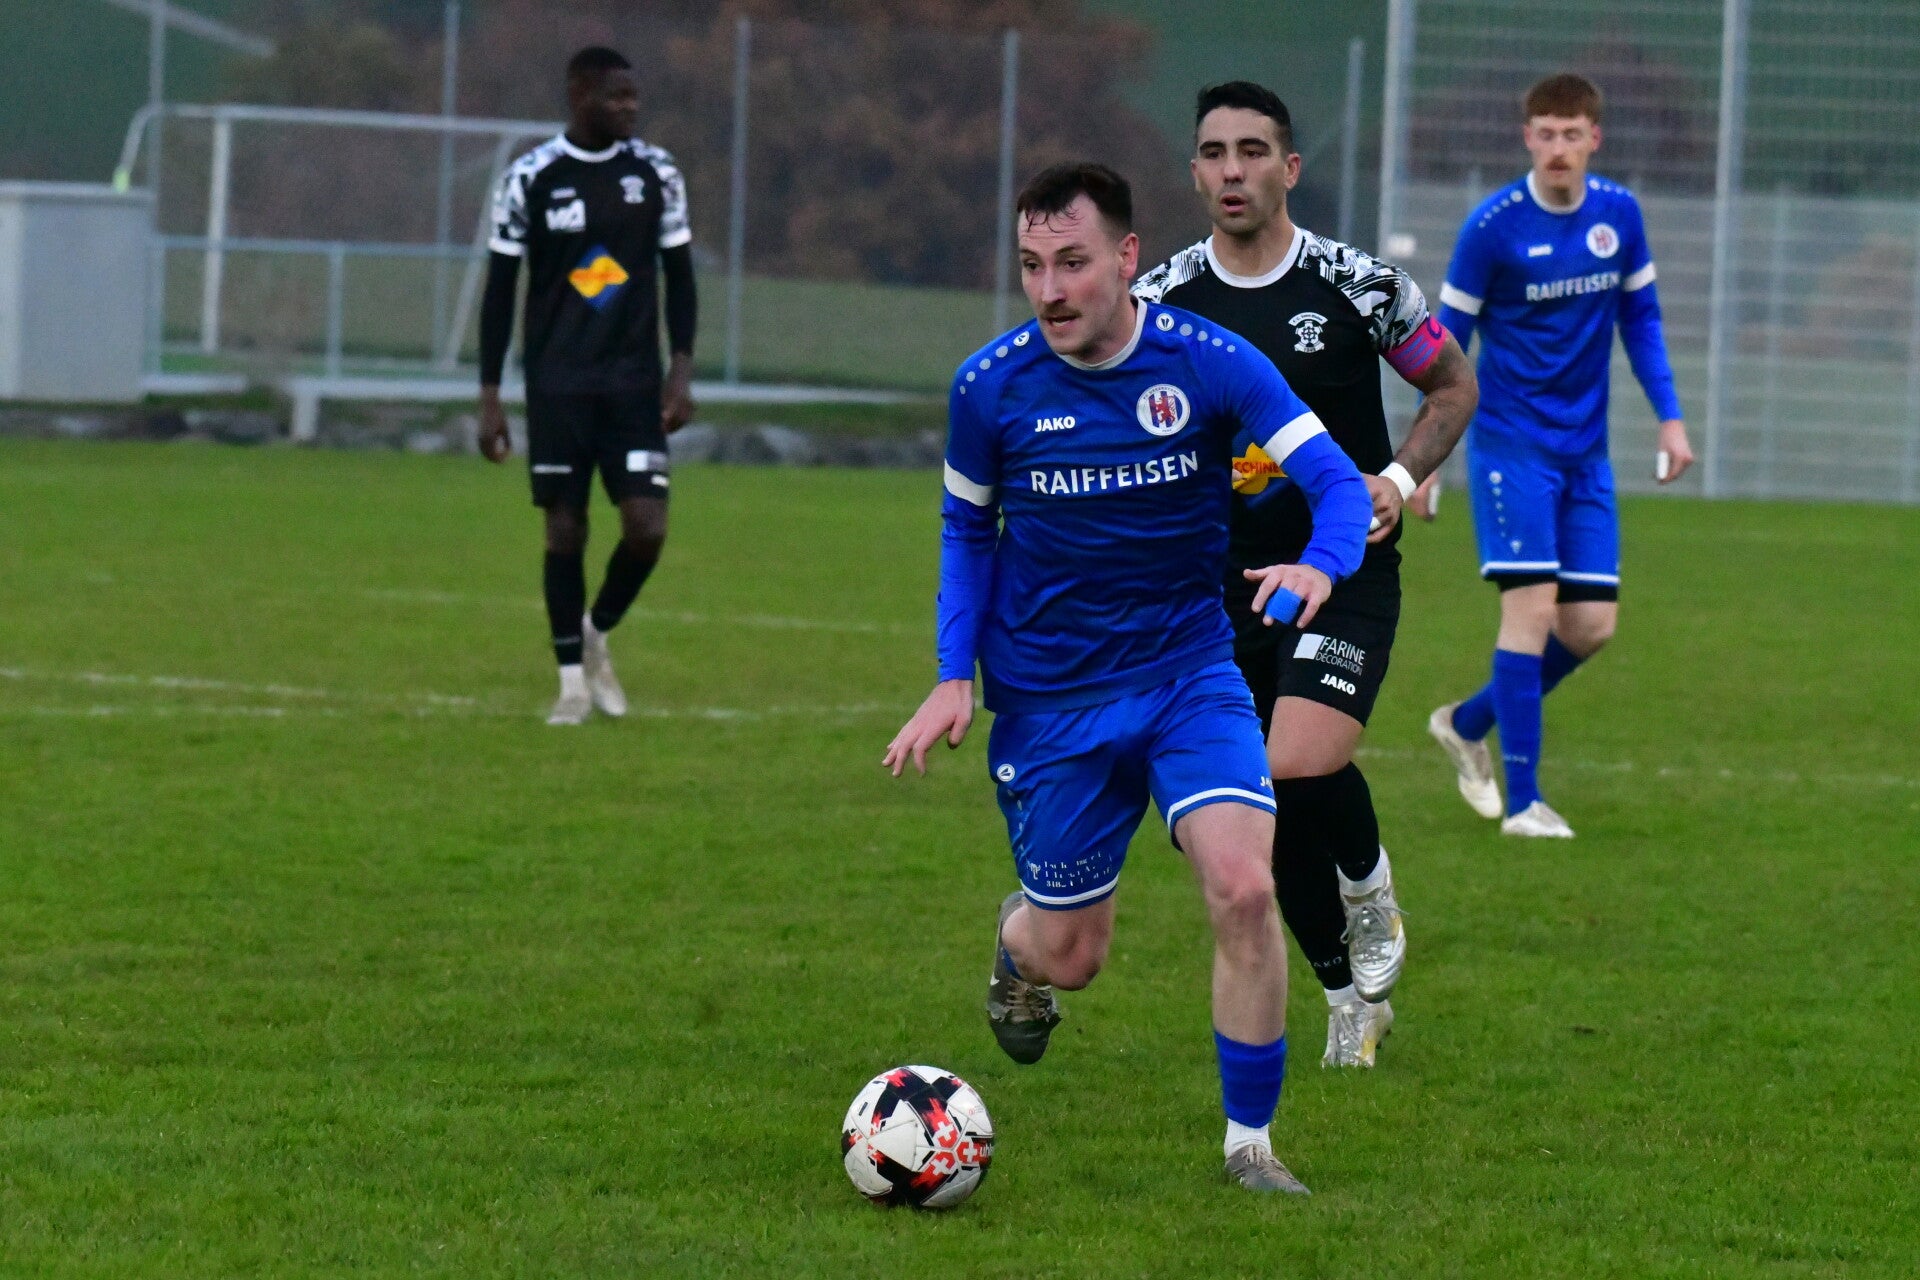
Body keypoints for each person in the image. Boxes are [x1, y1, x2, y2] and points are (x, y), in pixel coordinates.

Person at [883, 163, 1372, 1193]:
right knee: (1073, 956)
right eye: (1031, 265)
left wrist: (1320, 564)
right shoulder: (990, 386)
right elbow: (966, 532)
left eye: (1072, 262)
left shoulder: (1210, 362)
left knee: (1245, 887)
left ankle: (1250, 1145)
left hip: (1189, 674)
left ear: (1127, 258)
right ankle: (1018, 952)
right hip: (1051, 701)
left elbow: (1335, 481)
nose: (1050, 289)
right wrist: (951, 674)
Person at [1135, 82, 1478, 1068]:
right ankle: (1343, 996)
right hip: (1220, 590)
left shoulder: (1359, 285)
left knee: (1294, 760)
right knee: (1258, 808)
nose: (1232, 170)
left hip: (1342, 568)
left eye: (1252, 151)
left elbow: (1453, 386)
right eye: (1214, 153)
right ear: (1195, 171)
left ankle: (1370, 890)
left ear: (1289, 167)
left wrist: (1397, 480)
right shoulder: (1159, 303)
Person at [1427, 73, 1692, 836]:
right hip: (1511, 448)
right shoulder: (1492, 228)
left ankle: (1466, 724)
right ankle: (1526, 803)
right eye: (1545, 134)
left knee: (1590, 627)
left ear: (1594, 139)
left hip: (1586, 453)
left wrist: (1671, 420)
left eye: (1572, 135)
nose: (1558, 148)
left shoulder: (1619, 215)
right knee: (1533, 612)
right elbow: (1443, 344)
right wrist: (1427, 455)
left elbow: (1641, 319)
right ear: (1527, 137)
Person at [476, 46, 698, 725]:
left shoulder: (656, 173)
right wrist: (490, 395)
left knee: (647, 528)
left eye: (634, 96)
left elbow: (680, 275)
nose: (631, 107)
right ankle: (571, 684)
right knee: (565, 527)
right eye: (616, 97)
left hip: (632, 382)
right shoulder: (532, 178)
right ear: (579, 96)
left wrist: (681, 369)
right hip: (557, 382)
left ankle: (596, 630)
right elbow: (500, 288)